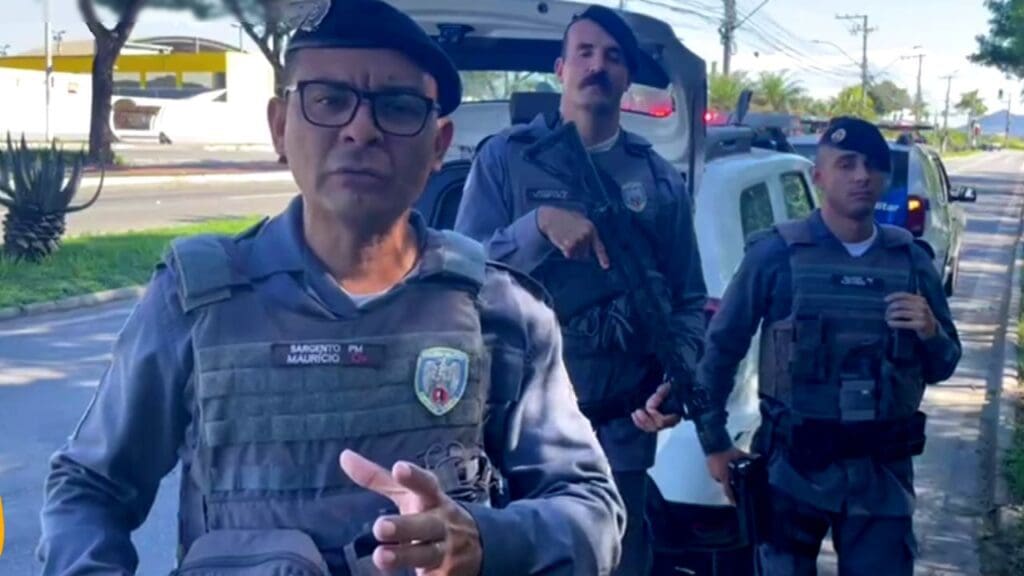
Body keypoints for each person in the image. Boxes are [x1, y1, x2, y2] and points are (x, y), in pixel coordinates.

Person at [36, 1, 626, 575]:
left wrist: (485, 541)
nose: (360, 129)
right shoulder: (195, 302)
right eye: (328, 100)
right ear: (279, 127)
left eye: (396, 107)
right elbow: (90, 487)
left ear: (439, 146)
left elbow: (593, 510)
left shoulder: (500, 311)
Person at [454, 6, 707, 575]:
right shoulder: (507, 159)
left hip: (619, 432)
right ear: (560, 68)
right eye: (586, 53)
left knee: (615, 562)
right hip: (513, 434)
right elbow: (460, 272)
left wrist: (676, 375)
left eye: (614, 56)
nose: (599, 65)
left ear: (626, 77)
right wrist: (537, 225)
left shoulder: (660, 179)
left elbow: (690, 299)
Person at [694, 116, 962, 575]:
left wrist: (930, 330)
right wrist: (715, 442)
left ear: (885, 178)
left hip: (881, 475)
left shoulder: (912, 262)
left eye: (872, 166)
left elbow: (944, 365)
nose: (861, 175)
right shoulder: (775, 256)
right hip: (792, 472)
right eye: (846, 164)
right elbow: (721, 350)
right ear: (819, 176)